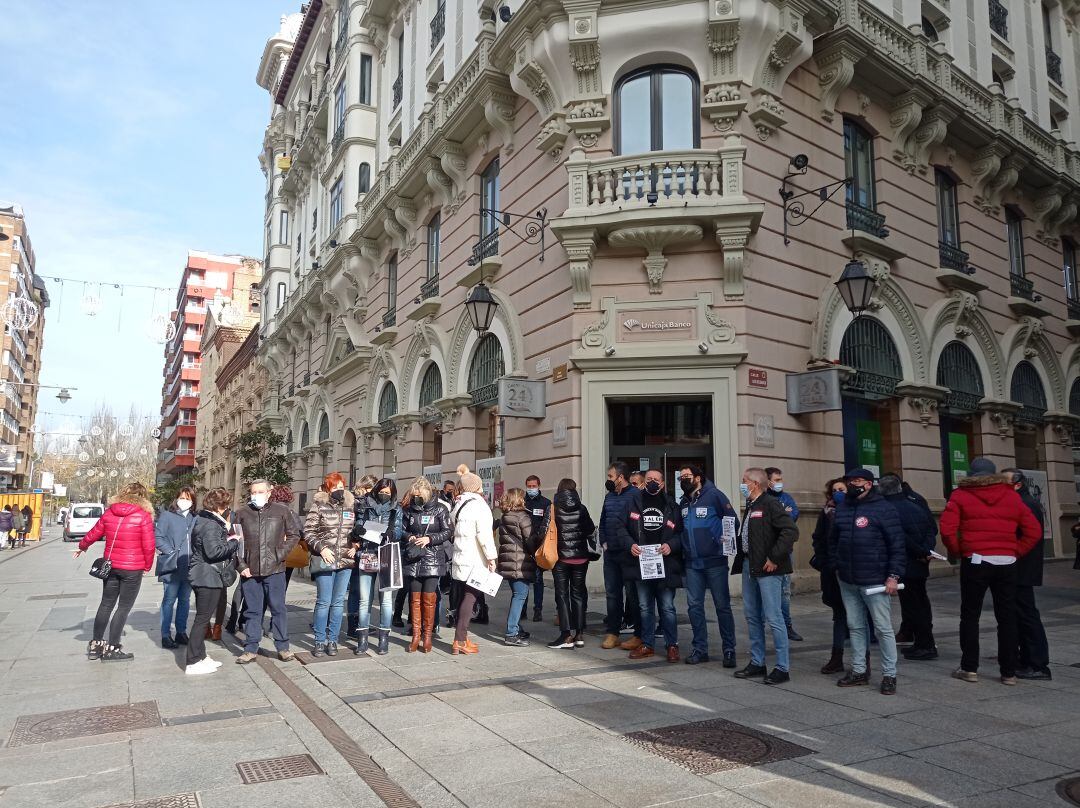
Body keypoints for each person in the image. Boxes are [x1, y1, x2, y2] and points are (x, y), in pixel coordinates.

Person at [940, 458, 1041, 685]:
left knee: (970, 615)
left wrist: (959, 551)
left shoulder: (960, 495)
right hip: (1006, 562)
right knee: (1006, 616)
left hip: (975, 560)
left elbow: (947, 530)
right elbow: (1033, 530)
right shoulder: (1011, 496)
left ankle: (969, 668)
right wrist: (1015, 552)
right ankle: (1008, 672)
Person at [829, 468, 905, 695]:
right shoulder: (843, 508)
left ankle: (890, 674)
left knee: (883, 628)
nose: (852, 484)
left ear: (869, 484)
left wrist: (893, 576)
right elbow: (834, 540)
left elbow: (897, 546)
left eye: (857, 481)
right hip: (848, 578)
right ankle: (859, 670)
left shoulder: (884, 508)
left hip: (875, 580)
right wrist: (836, 565)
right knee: (855, 626)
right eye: (849, 481)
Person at [73, 482, 156, 661]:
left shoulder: (110, 512)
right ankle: (112, 648)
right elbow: (149, 546)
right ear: (143, 497)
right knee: (123, 608)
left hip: (111, 566)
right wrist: (147, 566)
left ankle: (96, 644)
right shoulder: (143, 516)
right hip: (133, 568)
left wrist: (82, 546)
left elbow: (95, 532)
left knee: (106, 604)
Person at [731, 468, 798, 684]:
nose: (742, 484)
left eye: (744, 481)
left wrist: (774, 557)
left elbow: (790, 531)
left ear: (755, 484)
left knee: (773, 616)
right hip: (751, 565)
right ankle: (758, 662)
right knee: (752, 616)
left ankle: (782, 667)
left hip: (769, 568)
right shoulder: (751, 505)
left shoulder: (770, 503)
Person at [232, 478, 302, 664]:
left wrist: (280, 554)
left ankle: (283, 647)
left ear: (269, 492)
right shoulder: (242, 514)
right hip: (250, 571)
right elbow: (235, 541)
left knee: (278, 609)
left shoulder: (282, 511)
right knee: (253, 611)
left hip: (275, 569)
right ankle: (250, 648)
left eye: (260, 492)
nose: (256, 495)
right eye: (253, 492)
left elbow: (294, 534)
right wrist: (241, 565)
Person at [678, 464, 739, 666]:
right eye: (681, 477)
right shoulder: (683, 502)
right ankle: (700, 649)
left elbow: (733, 521)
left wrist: (723, 539)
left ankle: (729, 649)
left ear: (698, 477)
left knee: (722, 606)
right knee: (694, 607)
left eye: (687, 476)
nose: (683, 480)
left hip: (715, 562)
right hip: (692, 564)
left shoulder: (715, 496)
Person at [878, 473, 939, 661]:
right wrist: (926, 551)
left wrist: (920, 552)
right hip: (919, 563)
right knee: (921, 602)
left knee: (914, 605)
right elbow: (931, 529)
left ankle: (925, 645)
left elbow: (900, 538)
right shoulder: (916, 504)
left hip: (906, 562)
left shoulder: (888, 509)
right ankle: (923, 642)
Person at [999, 469, 1051, 680]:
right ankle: (1027, 658)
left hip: (1021, 569)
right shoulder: (1022, 502)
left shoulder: (1025, 504)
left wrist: (1012, 554)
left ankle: (1037, 664)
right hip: (1020, 568)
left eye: (1004, 482)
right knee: (1021, 615)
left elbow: (1029, 537)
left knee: (1027, 615)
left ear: (1018, 484)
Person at [627, 469, 683, 661]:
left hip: (665, 564)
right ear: (644, 482)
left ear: (662, 483)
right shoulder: (633, 503)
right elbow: (620, 527)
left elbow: (681, 534)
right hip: (641, 563)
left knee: (667, 607)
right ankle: (647, 644)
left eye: (656, 479)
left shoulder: (672, 506)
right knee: (645, 606)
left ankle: (672, 645)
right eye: (648, 479)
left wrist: (671, 545)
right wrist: (630, 545)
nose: (652, 482)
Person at [185, 487, 239, 675]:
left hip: (203, 574)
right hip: (207, 576)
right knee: (202, 619)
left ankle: (200, 656)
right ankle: (192, 661)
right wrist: (234, 542)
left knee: (202, 617)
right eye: (226, 505)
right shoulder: (211, 524)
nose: (228, 509)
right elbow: (213, 552)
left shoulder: (204, 520)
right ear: (220, 506)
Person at [305, 473, 357, 657]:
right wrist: (322, 549)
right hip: (325, 559)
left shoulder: (351, 506)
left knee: (337, 603)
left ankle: (333, 640)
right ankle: (319, 641)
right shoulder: (318, 505)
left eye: (341, 486)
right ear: (328, 489)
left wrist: (356, 544)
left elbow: (355, 532)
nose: (339, 490)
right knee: (324, 602)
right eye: (335, 487)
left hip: (345, 559)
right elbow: (309, 532)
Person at [400, 476, 453, 653]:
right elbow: (403, 529)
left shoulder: (440, 509)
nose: (416, 498)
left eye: (418, 495)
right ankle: (416, 635)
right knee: (414, 599)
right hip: (414, 558)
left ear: (426, 494)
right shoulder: (409, 510)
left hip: (432, 558)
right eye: (414, 495)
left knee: (429, 599)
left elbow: (447, 531)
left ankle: (427, 636)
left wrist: (430, 538)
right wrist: (410, 537)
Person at [449, 465, 498, 654]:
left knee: (464, 597)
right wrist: (491, 558)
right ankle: (459, 640)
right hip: (475, 560)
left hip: (461, 557)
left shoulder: (459, 504)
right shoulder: (479, 505)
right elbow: (484, 535)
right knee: (471, 598)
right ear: (476, 487)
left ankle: (463, 638)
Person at [351, 478, 400, 655]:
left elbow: (399, 531)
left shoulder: (396, 508)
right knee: (365, 600)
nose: (384, 495)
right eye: (382, 491)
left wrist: (392, 533)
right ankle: (362, 637)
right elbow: (359, 524)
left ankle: (383, 638)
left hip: (387, 553)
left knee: (386, 600)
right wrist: (358, 531)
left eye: (388, 492)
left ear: (392, 493)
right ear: (376, 490)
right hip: (368, 552)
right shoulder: (366, 506)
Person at [545, 478, 595, 648]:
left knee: (562, 595)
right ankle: (579, 634)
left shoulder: (552, 509)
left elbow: (543, 531)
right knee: (578, 594)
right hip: (581, 557)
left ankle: (566, 635)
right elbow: (590, 530)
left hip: (561, 558)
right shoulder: (582, 508)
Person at [600, 461, 642, 651]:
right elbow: (603, 520)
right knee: (612, 594)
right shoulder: (609, 497)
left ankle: (638, 634)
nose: (608, 480)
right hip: (611, 554)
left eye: (610, 476)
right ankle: (613, 632)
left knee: (633, 595)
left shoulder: (635, 496)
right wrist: (603, 541)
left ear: (620, 478)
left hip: (629, 554)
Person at [811, 478, 852, 674]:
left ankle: (863, 663)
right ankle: (837, 658)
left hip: (852, 571)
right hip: (832, 571)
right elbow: (818, 538)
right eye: (835, 490)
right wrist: (823, 560)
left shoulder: (856, 510)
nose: (838, 493)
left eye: (841, 489)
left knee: (859, 618)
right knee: (840, 615)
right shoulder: (826, 512)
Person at [765, 467, 802, 642]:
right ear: (768, 481)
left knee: (784, 592)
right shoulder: (763, 499)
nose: (780, 482)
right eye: (776, 479)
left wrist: (783, 516)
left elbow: (792, 517)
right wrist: (782, 513)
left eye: (780, 479)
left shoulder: (787, 498)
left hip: (785, 553)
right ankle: (770, 624)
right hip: (765, 554)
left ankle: (787, 626)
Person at [155, 487, 196, 649]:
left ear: (192, 501)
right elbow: (158, 537)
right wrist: (171, 551)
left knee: (185, 600)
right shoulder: (167, 516)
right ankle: (165, 634)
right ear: (176, 499)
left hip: (189, 565)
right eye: (181, 497)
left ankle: (181, 632)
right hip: (172, 566)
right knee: (169, 600)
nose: (184, 501)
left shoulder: (194, 518)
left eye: (188, 498)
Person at [497, 487, 536, 646]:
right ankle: (511, 633)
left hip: (509, 561)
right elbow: (530, 540)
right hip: (519, 562)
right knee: (519, 596)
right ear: (518, 499)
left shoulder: (505, 516)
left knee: (516, 595)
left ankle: (516, 628)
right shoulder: (522, 516)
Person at [524, 475, 551, 623]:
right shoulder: (522, 502)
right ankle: (522, 609)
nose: (531, 489)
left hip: (538, 547)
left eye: (534, 486)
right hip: (524, 547)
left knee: (538, 580)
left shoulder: (545, 503)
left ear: (539, 486)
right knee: (524, 580)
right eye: (529, 486)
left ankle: (537, 609)